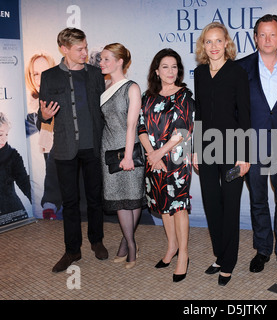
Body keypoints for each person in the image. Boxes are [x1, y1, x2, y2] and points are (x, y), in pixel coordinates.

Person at [236, 14, 277, 275]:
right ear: (255, 38)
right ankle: (262, 249)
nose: (267, 39)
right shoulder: (241, 68)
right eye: (262, 34)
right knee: (258, 200)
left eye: (272, 34)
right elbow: (236, 110)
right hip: (253, 145)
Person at [38, 28, 108, 273]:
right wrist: (44, 116)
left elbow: (104, 112)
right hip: (65, 146)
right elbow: (43, 116)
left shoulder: (96, 74)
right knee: (69, 202)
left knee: (94, 198)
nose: (85, 53)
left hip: (93, 145)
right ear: (64, 49)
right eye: (80, 49)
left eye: (86, 47)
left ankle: (96, 241)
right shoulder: (49, 76)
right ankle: (72, 250)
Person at [193, 22, 251, 286]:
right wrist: (194, 149)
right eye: (208, 41)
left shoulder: (238, 72)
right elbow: (200, 115)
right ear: (203, 45)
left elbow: (245, 115)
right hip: (205, 148)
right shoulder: (200, 73)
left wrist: (244, 154)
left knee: (230, 205)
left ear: (227, 43)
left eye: (218, 41)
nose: (214, 46)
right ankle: (220, 254)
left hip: (232, 148)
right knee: (211, 204)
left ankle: (229, 262)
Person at [138, 48, 194, 282]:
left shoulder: (184, 95)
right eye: (165, 67)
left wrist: (159, 153)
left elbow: (183, 130)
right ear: (156, 71)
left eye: (174, 67)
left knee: (178, 207)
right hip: (154, 159)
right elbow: (141, 128)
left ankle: (184, 255)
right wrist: (152, 155)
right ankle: (171, 247)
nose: (170, 71)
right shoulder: (147, 96)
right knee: (163, 206)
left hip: (176, 159)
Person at [99, 43, 145, 269]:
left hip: (130, 148)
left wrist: (127, 156)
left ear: (120, 62)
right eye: (101, 59)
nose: (102, 63)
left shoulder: (132, 87)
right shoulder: (104, 86)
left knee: (132, 197)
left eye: (107, 59)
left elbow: (132, 124)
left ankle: (130, 246)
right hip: (107, 150)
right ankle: (128, 241)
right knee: (119, 199)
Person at [25, 52, 62, 220]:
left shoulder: (63, 100)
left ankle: (51, 202)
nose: (41, 78)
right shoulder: (26, 107)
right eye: (36, 74)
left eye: (45, 72)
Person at [0, 112, 31, 221]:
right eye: (0, 134)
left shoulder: (13, 155)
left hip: (13, 212)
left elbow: (25, 183)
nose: (4, 139)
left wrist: (39, 205)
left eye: (6, 134)